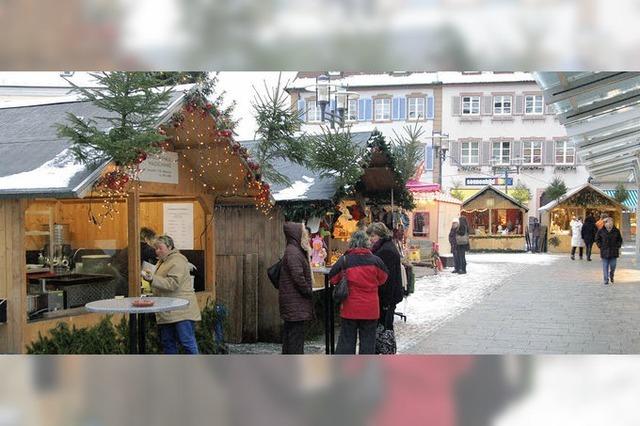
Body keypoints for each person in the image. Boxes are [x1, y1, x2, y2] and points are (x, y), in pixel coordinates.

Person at [329, 230, 388, 354]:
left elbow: (333, 278)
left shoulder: (345, 260)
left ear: (352, 243)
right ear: (367, 243)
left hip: (350, 308)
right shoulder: (376, 261)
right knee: (367, 342)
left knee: (347, 341)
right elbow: (383, 278)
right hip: (371, 309)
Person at [141, 235, 201, 354]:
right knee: (168, 343)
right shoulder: (163, 261)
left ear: (169, 247)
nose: (157, 251)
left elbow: (173, 283)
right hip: (168, 310)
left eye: (160, 248)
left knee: (187, 343)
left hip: (181, 310)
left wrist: (152, 279)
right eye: (156, 248)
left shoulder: (177, 260)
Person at [278, 222, 314, 354]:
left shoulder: (293, 249)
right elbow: (298, 276)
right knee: (295, 338)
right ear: (296, 234)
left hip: (293, 302)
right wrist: (307, 291)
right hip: (295, 302)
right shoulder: (293, 252)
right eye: (304, 233)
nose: (306, 236)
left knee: (291, 335)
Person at [366, 222, 403, 331]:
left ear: (381, 235)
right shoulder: (384, 247)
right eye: (370, 236)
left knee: (385, 328)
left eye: (373, 236)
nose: (370, 239)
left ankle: (386, 348)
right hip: (387, 297)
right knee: (385, 327)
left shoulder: (386, 250)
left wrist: (385, 302)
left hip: (386, 297)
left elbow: (388, 279)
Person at [111, 227, 157, 295]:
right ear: (146, 239)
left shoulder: (129, 247)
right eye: (153, 239)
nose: (154, 243)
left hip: (119, 282)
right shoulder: (145, 248)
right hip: (128, 284)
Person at [595, 217, 623, 285]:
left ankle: (611, 274)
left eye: (611, 222)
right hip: (604, 251)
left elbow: (620, 240)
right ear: (605, 223)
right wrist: (600, 246)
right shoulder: (601, 231)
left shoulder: (616, 231)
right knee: (605, 266)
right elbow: (597, 239)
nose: (610, 224)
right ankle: (606, 279)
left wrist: (618, 246)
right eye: (608, 222)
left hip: (614, 251)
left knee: (613, 265)